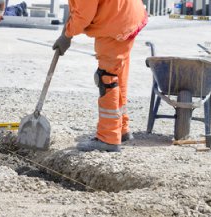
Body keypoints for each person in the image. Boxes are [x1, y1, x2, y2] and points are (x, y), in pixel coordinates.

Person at [53, 0, 148, 152]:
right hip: (126, 16)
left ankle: (108, 138)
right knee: (118, 75)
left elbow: (84, 15)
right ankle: (121, 129)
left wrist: (67, 35)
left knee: (107, 77)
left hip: (116, 22)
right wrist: (66, 31)